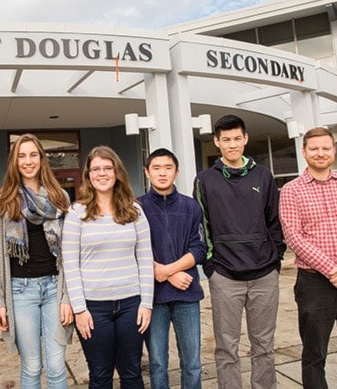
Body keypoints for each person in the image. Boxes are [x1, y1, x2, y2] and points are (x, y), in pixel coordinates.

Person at [193, 115, 286, 389]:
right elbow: (203, 225)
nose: (232, 144)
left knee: (264, 346)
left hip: (264, 275)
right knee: (226, 349)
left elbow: (275, 222)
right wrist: (211, 266)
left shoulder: (263, 175)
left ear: (245, 139)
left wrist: (275, 260)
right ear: (217, 142)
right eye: (226, 140)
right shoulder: (205, 180)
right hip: (225, 276)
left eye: (237, 138)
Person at [279, 127, 337, 388]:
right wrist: (335, 271)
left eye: (325, 148)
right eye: (314, 148)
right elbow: (294, 237)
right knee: (314, 355)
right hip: (314, 284)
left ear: (334, 151)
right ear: (304, 152)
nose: (320, 153)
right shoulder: (291, 191)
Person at [62, 145, 154, 388]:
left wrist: (146, 303)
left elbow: (145, 259)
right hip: (93, 309)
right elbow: (70, 265)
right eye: (95, 169)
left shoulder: (135, 211)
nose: (101, 173)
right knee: (100, 375)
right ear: (88, 176)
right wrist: (79, 310)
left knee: (132, 374)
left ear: (117, 172)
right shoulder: (76, 213)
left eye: (107, 168)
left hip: (131, 305)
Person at [0, 133, 73, 388]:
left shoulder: (59, 197)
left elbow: (68, 252)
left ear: (42, 159)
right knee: (32, 366)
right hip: (20, 290)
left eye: (33, 155)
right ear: (15, 162)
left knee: (56, 366)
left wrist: (66, 297)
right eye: (22, 156)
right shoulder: (3, 199)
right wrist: (0, 302)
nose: (28, 161)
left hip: (53, 287)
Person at [138, 148, 206, 389]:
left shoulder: (190, 207)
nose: (162, 173)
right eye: (156, 168)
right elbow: (134, 251)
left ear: (176, 172)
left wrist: (168, 271)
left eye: (168, 168)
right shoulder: (137, 208)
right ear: (147, 172)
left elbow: (199, 248)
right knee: (157, 362)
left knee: (193, 362)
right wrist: (164, 274)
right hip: (153, 298)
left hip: (187, 295)